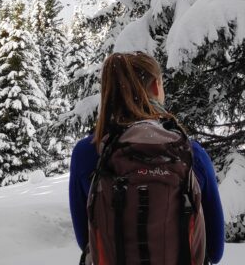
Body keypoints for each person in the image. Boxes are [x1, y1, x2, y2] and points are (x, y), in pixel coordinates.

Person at [68, 52, 225, 264]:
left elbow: (87, 240)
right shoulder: (190, 152)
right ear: (155, 87)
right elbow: (214, 251)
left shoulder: (86, 153)